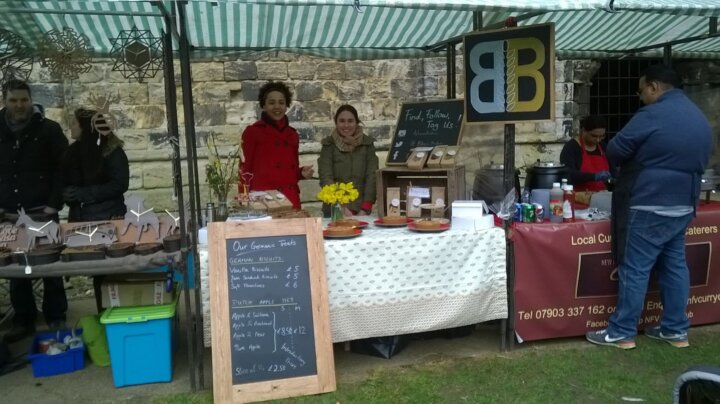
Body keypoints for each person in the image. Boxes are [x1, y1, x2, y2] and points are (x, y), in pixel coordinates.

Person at [586, 65, 712, 350]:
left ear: (654, 87)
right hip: (684, 203)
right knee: (675, 266)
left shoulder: (652, 114)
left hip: (649, 201)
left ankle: (621, 332)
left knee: (635, 268)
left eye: (642, 90)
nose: (640, 96)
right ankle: (676, 330)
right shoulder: (698, 116)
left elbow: (616, 149)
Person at [0, 79, 69, 343]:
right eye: (14, 100)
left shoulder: (49, 130)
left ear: (31, 100)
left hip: (42, 209)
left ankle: (56, 314)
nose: (19, 105)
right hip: (8, 212)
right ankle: (24, 318)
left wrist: (55, 202)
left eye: (24, 100)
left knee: (49, 263)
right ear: (5, 101)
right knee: (18, 266)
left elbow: (63, 169)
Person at [61, 108, 129, 311]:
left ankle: (114, 315)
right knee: (97, 273)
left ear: (86, 127)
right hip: (82, 218)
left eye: (74, 123)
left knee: (109, 272)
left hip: (107, 217)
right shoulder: (74, 152)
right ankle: (103, 314)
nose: (71, 127)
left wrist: (83, 194)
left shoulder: (112, 151)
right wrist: (66, 194)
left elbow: (119, 184)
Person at [239, 82, 313, 209]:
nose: (277, 106)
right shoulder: (252, 132)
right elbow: (244, 171)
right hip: (264, 200)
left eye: (281, 102)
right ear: (264, 105)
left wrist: (301, 173)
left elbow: (291, 171)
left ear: (286, 106)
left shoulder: (292, 134)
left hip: (291, 199)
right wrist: (243, 201)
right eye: (272, 103)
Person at [318, 105, 379, 216]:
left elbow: (372, 176)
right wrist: (340, 206)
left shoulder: (367, 144)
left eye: (350, 121)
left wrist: (365, 207)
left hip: (361, 210)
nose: (346, 125)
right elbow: (326, 177)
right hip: (335, 209)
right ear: (336, 123)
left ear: (356, 122)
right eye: (342, 121)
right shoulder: (328, 145)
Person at [559, 115, 611, 191]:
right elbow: (569, 174)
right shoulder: (571, 147)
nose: (598, 140)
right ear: (584, 130)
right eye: (594, 136)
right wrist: (593, 177)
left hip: (602, 195)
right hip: (579, 196)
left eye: (602, 136)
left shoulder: (603, 147)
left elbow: (613, 170)